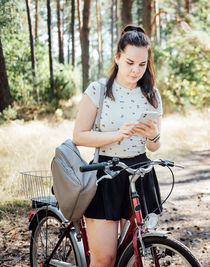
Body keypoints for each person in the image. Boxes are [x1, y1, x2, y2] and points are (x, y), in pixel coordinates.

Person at [73, 25, 163, 267]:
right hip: (106, 173)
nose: (136, 70)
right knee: (105, 259)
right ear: (117, 58)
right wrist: (115, 136)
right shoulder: (99, 90)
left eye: (142, 64)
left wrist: (154, 136)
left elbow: (154, 147)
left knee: (134, 257)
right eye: (130, 62)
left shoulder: (152, 94)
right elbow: (79, 136)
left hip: (140, 173)